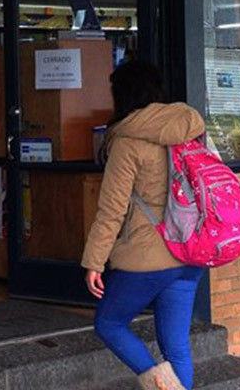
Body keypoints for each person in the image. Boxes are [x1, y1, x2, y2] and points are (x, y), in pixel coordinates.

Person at [82, 60, 206, 390]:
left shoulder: (126, 141)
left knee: (109, 323)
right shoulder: (189, 129)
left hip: (148, 256)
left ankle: (162, 387)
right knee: (176, 345)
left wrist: (94, 261)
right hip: (190, 251)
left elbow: (112, 209)